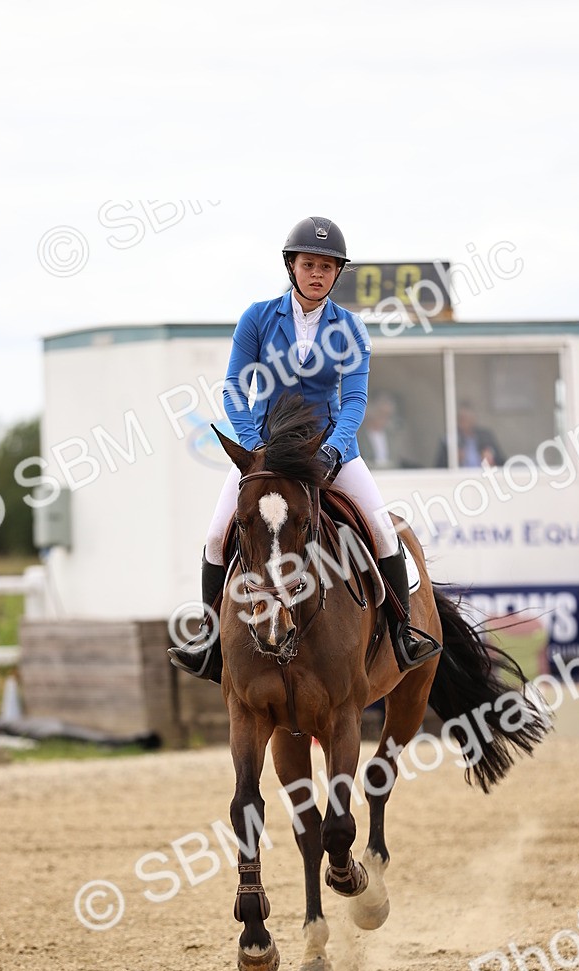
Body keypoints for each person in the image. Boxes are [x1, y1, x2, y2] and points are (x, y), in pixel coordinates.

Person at [169, 216, 441, 680]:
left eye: (327, 267)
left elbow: (354, 398)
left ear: (337, 274)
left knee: (380, 528)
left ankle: (402, 633)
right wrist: (254, 446)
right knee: (217, 535)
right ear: (292, 266)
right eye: (309, 264)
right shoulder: (258, 317)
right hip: (266, 451)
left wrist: (335, 449)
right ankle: (210, 640)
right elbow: (235, 386)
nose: (317, 273)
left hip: (329, 452)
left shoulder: (351, 328)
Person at [434, 401, 503, 469]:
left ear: (473, 419)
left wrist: (492, 459)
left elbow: (502, 462)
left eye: (467, 418)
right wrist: (452, 460)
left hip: (483, 476)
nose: (465, 422)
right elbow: (439, 468)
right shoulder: (450, 438)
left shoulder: (485, 436)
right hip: (460, 478)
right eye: (462, 419)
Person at [357, 392, 409, 469]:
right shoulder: (358, 435)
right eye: (380, 413)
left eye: (387, 415)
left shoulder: (393, 435)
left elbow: (397, 461)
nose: (384, 418)